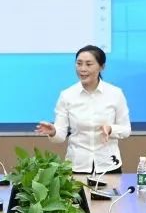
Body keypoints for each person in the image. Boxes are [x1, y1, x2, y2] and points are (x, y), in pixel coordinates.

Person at [35, 45, 131, 174]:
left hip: (108, 165)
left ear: (102, 67)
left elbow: (126, 130)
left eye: (88, 64)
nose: (82, 69)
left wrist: (110, 129)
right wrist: (53, 132)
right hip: (77, 166)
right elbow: (60, 136)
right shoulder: (67, 95)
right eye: (79, 64)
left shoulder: (115, 93)